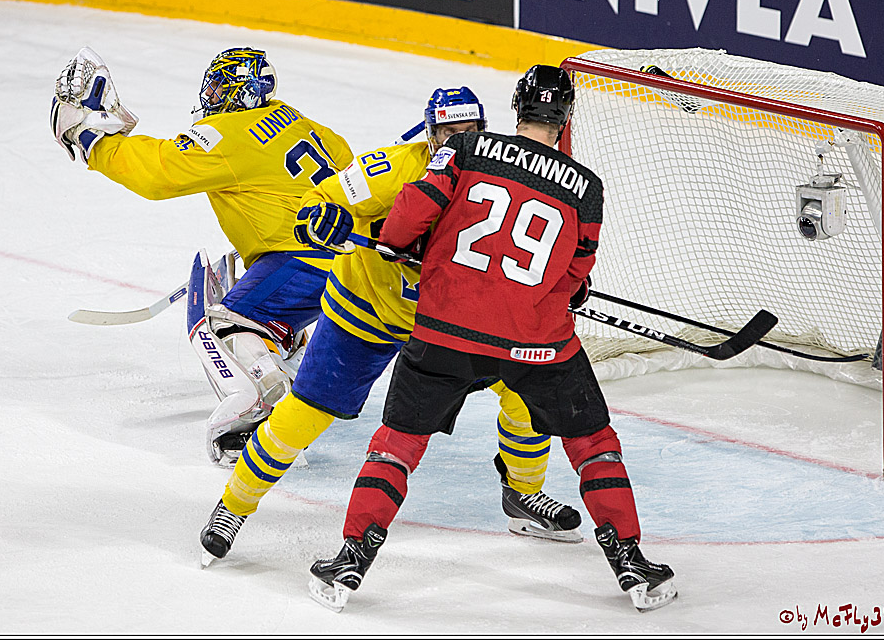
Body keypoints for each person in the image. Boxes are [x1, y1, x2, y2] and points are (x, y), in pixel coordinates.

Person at [307, 66, 677, 613]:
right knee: (593, 442)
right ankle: (630, 562)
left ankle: (350, 560)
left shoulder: (467, 150)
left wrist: (397, 242)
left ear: (516, 109)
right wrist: (569, 292)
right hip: (537, 343)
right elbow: (575, 275)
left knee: (397, 444)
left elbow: (408, 217)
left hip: (445, 330)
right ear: (564, 119)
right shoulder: (588, 190)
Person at [198, 86, 585, 568]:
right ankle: (232, 508)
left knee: (524, 393)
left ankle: (524, 496)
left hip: (448, 323)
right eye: (448, 131)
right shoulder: (392, 169)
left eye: (468, 132)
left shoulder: (494, 176)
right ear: (430, 133)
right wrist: (325, 218)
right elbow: (317, 201)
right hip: (366, 309)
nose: (457, 140)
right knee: (305, 413)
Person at [50, 47, 353, 463]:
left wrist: (91, 142)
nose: (210, 95)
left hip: (305, 260)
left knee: (224, 322)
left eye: (218, 86)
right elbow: (347, 163)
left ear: (240, 92)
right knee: (258, 293)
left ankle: (260, 410)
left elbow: (159, 173)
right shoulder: (300, 121)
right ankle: (289, 353)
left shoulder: (228, 135)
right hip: (350, 254)